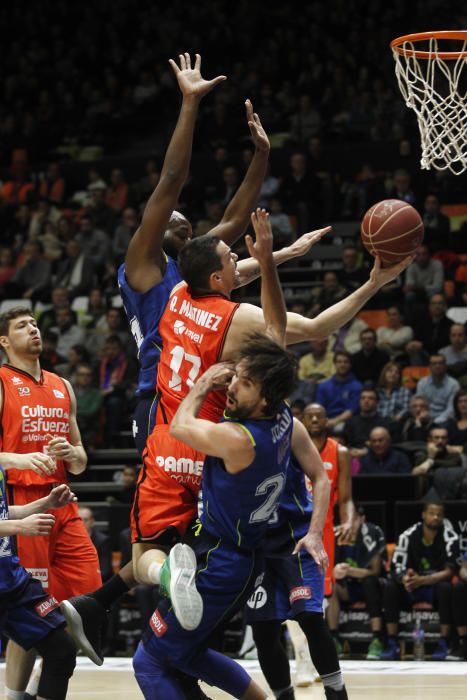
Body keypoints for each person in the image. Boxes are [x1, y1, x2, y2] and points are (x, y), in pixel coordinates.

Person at [133, 339, 336, 700]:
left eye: (244, 383)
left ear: (264, 400)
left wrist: (203, 382)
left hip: (222, 560)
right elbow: (319, 476)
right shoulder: (283, 417)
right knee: (188, 652)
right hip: (236, 554)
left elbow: (179, 427)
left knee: (148, 660)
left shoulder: (239, 439)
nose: (232, 386)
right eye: (234, 377)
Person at [0, 307, 102, 695]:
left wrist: (73, 454)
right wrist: (19, 459)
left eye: (35, 323)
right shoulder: (2, 381)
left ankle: (48, 668)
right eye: (22, 326)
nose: (34, 329)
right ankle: (15, 694)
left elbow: (80, 461)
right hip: (21, 505)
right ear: (5, 341)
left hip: (61, 499)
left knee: (88, 589)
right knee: (30, 606)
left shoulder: (63, 385)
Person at [0, 473, 78, 700]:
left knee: (61, 651)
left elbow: (4, 511)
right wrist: (19, 527)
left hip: (12, 581)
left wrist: (45, 503)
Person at [381, 498, 460, 660]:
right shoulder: (407, 536)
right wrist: (405, 578)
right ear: (424, 515)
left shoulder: (450, 537)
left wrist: (422, 580)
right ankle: (392, 642)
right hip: (412, 587)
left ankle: (444, 643)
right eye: (432, 513)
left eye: (439, 514)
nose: (436, 517)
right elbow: (396, 567)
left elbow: (450, 571)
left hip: (434, 587)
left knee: (446, 587)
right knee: (390, 586)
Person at [303, 403, 355, 598]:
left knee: (322, 592)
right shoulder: (291, 449)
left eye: (319, 416)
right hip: (294, 524)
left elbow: (346, 498)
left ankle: (320, 627)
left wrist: (348, 521)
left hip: (323, 527)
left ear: (327, 421)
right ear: (302, 422)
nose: (315, 420)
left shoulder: (340, 452)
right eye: (310, 416)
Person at [327, 507, 387, 660]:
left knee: (369, 582)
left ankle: (376, 639)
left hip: (371, 585)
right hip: (346, 587)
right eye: (345, 518)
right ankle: (333, 638)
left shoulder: (372, 533)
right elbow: (325, 569)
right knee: (329, 586)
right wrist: (334, 572)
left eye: (353, 519)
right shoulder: (334, 534)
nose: (348, 523)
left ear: (362, 519)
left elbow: (376, 571)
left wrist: (350, 571)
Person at [412, 426, 466, 500]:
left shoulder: (454, 455)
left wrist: (431, 461)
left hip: (452, 493)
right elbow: (418, 471)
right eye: (436, 438)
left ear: (447, 440)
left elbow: (453, 464)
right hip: (427, 493)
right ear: (429, 440)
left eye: (443, 438)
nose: (440, 441)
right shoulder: (421, 454)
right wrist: (431, 456)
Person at [315, 352, 363, 434]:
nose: (342, 365)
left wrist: (334, 421)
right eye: (339, 362)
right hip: (325, 420)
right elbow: (319, 408)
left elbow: (351, 410)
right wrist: (324, 421)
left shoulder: (357, 386)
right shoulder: (323, 386)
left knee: (339, 428)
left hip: (346, 422)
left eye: (346, 362)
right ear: (335, 364)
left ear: (350, 365)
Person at [343, 388, 393, 457]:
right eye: (363, 398)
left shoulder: (385, 423)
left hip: (376, 457)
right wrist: (351, 450)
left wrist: (368, 451)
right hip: (352, 457)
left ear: (377, 402)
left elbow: (389, 446)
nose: (366, 401)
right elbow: (345, 443)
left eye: (370, 398)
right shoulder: (350, 422)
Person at [416, 354, 460, 425]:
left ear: (445, 366)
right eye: (434, 364)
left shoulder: (454, 384)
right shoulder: (422, 383)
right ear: (429, 367)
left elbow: (451, 409)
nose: (437, 366)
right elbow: (420, 405)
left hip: (447, 420)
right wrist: (425, 417)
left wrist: (436, 422)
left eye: (440, 363)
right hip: (426, 418)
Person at [79, 506, 113, 582]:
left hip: (97, 582)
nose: (81, 523)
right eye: (79, 520)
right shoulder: (69, 541)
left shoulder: (103, 540)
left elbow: (105, 571)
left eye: (85, 520)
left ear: (92, 522)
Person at [376, 361, 412, 426]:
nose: (393, 374)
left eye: (397, 372)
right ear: (384, 373)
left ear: (399, 376)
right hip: (378, 423)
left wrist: (396, 418)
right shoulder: (377, 391)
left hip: (396, 423)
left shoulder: (404, 391)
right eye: (390, 371)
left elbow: (407, 409)